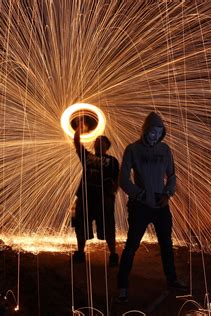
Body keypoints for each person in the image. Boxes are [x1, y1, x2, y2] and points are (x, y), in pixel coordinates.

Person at [116, 111, 186, 302]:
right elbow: (123, 179)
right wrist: (139, 195)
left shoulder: (165, 150)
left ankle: (171, 279)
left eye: (159, 131)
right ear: (145, 131)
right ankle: (122, 285)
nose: (155, 135)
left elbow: (172, 175)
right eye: (153, 131)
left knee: (166, 244)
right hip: (141, 205)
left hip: (160, 203)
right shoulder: (132, 149)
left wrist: (168, 194)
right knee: (131, 245)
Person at [72, 121, 120, 267]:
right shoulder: (87, 156)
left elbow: (117, 179)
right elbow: (76, 141)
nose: (98, 143)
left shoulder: (112, 161)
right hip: (85, 198)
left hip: (103, 199)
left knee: (108, 227)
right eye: (96, 141)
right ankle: (80, 253)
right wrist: (80, 127)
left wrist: (111, 195)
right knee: (81, 226)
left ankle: (113, 255)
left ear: (107, 146)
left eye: (101, 142)